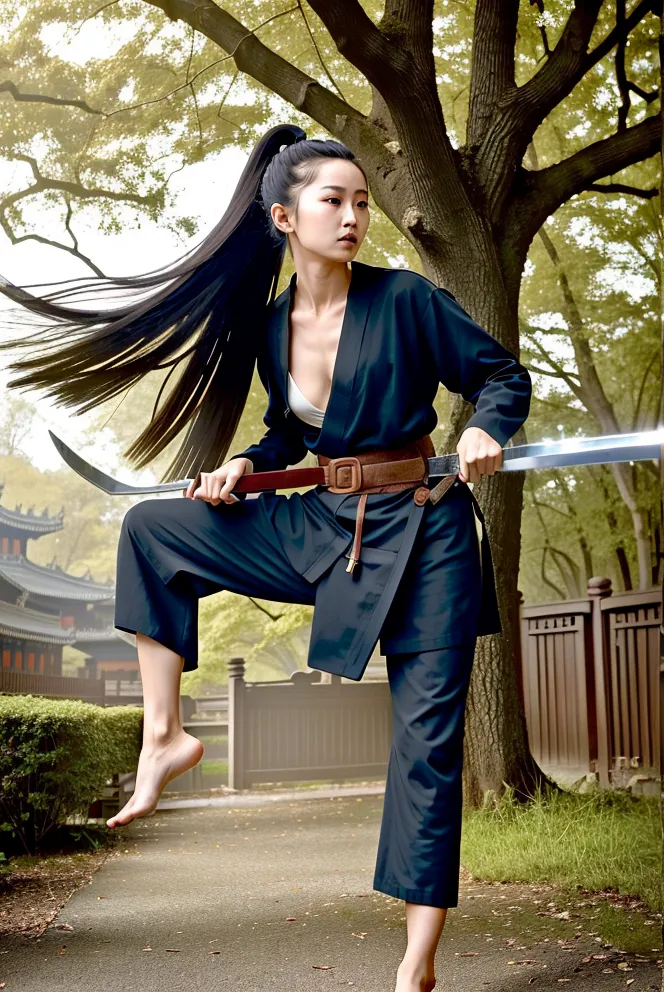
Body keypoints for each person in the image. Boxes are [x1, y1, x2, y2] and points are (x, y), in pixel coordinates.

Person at [0, 123, 531, 992]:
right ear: (285, 216)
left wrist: (480, 427)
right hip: (326, 525)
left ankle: (417, 962)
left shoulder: (408, 301)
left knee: (426, 747)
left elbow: (504, 376)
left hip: (428, 534)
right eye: (336, 200)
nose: (356, 215)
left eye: (363, 202)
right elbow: (297, 428)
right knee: (156, 531)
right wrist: (249, 460)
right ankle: (166, 736)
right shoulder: (274, 322)